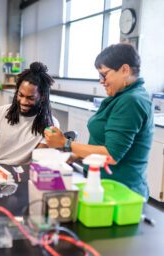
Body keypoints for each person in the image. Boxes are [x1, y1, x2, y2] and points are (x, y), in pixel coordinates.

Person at [44, 43, 154, 199]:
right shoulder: (120, 97)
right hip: (103, 185)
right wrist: (77, 154)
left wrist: (65, 143)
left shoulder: (131, 101)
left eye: (104, 74)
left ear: (124, 70)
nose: (101, 81)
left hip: (120, 193)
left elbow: (111, 154)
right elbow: (103, 142)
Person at [0, 62, 59, 165]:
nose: (23, 101)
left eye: (30, 98)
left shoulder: (50, 125)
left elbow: (37, 163)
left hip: (25, 174)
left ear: (43, 98)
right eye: (20, 95)